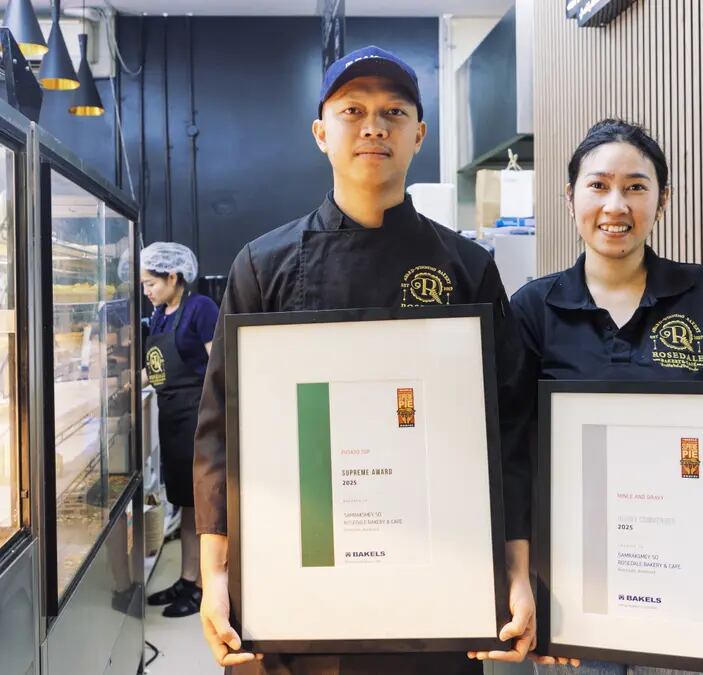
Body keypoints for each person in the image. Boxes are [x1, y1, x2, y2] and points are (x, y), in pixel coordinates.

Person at [192, 45, 543, 675]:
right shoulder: (261, 267)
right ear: (321, 133)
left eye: (394, 111)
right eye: (353, 110)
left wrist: (518, 573)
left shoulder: (466, 270)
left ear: (419, 135)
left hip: (439, 588)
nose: (374, 126)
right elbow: (221, 431)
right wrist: (215, 575)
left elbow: (510, 427)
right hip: (298, 588)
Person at [510, 119, 703, 674]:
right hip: (577, 602)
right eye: (597, 185)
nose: (615, 204)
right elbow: (516, 460)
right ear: (569, 197)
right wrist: (527, 584)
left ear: (662, 201)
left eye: (636, 187)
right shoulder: (534, 309)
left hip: (694, 591)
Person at [140, 241, 219, 618]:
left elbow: (219, 366)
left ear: (173, 276)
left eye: (151, 283)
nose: (147, 291)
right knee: (187, 506)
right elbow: (157, 368)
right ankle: (188, 581)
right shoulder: (159, 314)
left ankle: (205, 587)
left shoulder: (200, 309)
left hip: (198, 420)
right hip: (172, 420)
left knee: (204, 509)